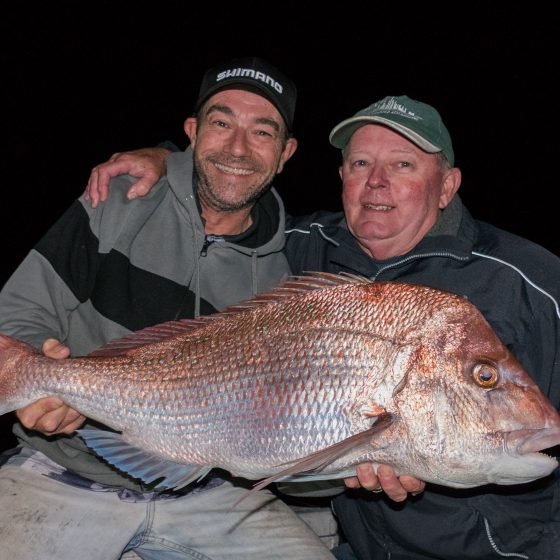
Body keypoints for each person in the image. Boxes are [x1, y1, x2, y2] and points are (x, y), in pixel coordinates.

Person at [85, 94, 560, 559]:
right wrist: (167, 160)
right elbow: (225, 201)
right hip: (357, 545)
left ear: (447, 186)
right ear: (341, 177)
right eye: (360, 165)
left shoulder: (530, 281)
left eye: (403, 165)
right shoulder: (298, 245)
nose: (376, 182)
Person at [0, 55, 337, 560]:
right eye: (222, 123)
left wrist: (354, 464)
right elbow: (19, 312)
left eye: (262, 132)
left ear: (285, 152)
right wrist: (39, 378)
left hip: (206, 493)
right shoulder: (118, 198)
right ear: (192, 131)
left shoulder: (282, 283)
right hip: (63, 472)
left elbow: (288, 444)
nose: (238, 148)